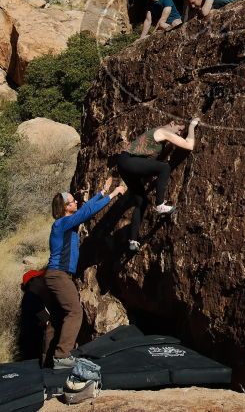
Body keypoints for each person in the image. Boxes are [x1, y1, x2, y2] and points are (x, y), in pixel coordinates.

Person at [45, 178, 126, 369]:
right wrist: (113, 194)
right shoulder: (62, 224)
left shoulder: (66, 223)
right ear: (65, 207)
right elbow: (86, 212)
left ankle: (47, 360)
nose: (76, 203)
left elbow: (84, 210)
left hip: (58, 276)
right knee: (74, 312)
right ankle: (61, 356)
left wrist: (102, 192)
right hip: (58, 275)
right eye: (72, 201)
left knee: (57, 319)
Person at [117, 118, 200, 252]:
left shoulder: (157, 135)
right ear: (172, 123)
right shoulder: (163, 131)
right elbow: (189, 145)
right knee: (164, 168)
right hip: (129, 161)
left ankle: (133, 241)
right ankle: (160, 205)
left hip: (124, 164)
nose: (179, 133)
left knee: (141, 201)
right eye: (179, 129)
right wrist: (191, 127)